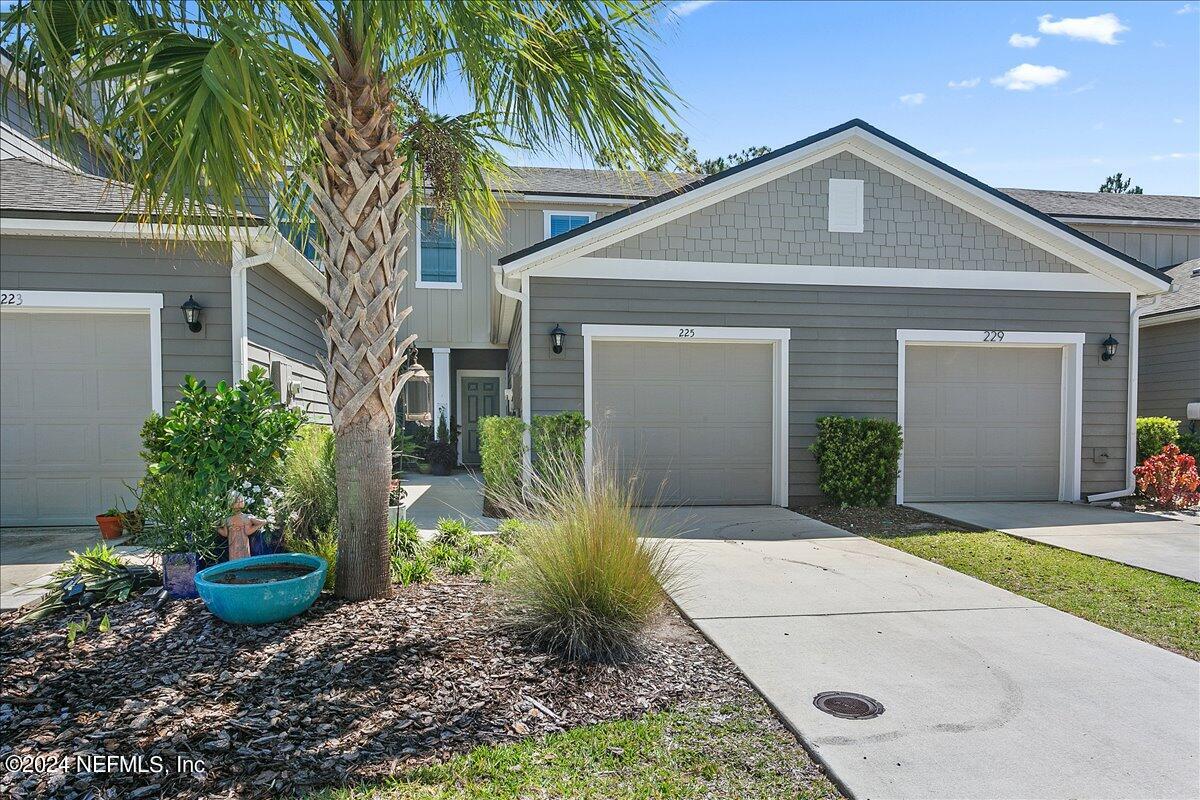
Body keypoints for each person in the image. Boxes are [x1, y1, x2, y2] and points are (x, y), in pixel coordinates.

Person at [219, 493, 267, 561]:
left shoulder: (227, 519)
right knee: (244, 558)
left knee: (234, 559)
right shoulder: (246, 517)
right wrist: (262, 523)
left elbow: (225, 533)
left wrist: (216, 527)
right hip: (242, 543)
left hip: (233, 543)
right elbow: (248, 531)